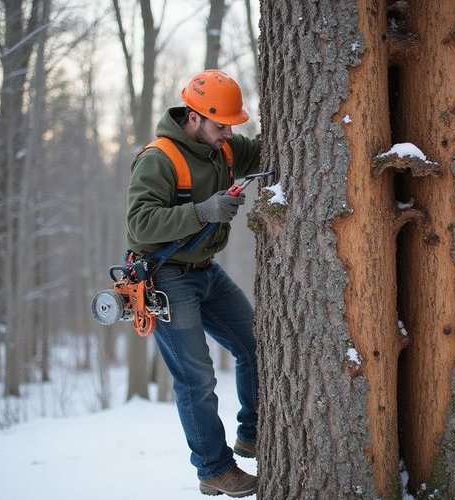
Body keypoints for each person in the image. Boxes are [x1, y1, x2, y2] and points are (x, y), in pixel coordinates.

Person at [126, 69, 261, 497]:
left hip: (205, 271)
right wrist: (203, 211)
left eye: (231, 127)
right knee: (196, 378)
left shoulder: (220, 146)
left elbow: (264, 150)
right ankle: (214, 468)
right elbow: (140, 224)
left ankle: (253, 434)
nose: (228, 134)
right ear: (194, 118)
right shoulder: (159, 158)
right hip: (164, 277)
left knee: (257, 342)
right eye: (221, 125)